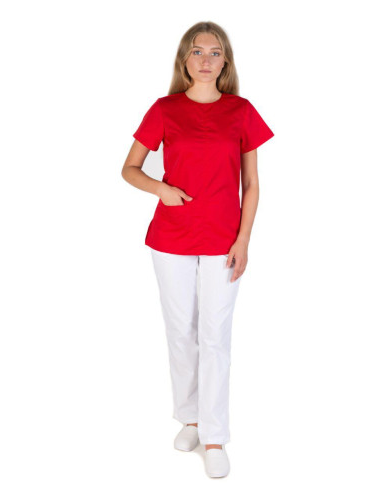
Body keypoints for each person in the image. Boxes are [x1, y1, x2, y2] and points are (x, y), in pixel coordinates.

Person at [122, 21, 274, 478]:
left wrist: (244, 239)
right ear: (184, 60)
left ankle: (214, 436)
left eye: (215, 52)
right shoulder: (164, 109)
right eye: (197, 51)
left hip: (224, 240)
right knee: (180, 331)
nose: (206, 59)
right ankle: (189, 418)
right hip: (171, 238)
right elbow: (130, 168)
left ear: (225, 61)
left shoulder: (241, 111)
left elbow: (251, 184)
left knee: (215, 335)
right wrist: (160, 189)